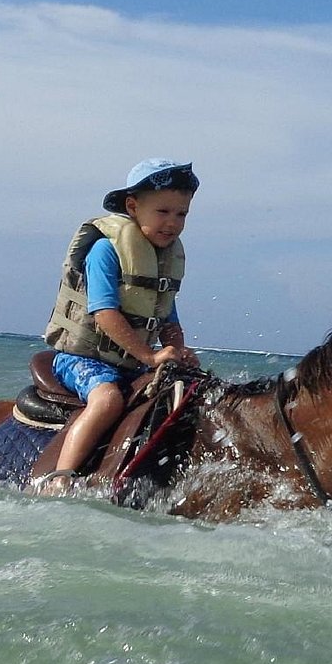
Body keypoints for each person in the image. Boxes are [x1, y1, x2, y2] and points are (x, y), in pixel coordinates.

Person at [42, 158, 201, 485]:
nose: (172, 223)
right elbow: (104, 313)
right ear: (132, 206)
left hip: (131, 364)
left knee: (188, 390)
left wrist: (177, 349)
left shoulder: (162, 260)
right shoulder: (105, 249)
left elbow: (167, 315)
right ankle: (60, 478)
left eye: (181, 214)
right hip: (83, 359)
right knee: (108, 399)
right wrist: (150, 356)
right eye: (163, 212)